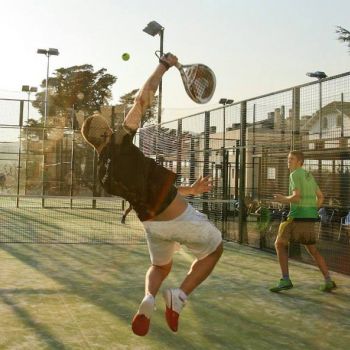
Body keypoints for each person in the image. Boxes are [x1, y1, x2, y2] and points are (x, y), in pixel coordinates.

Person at [81, 53, 223, 336]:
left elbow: (150, 191)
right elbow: (142, 99)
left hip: (151, 225)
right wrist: (164, 66)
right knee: (214, 250)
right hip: (176, 216)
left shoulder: (104, 174)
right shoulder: (121, 142)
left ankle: (148, 299)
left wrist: (191, 190)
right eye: (109, 125)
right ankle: (178, 297)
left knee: (160, 266)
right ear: (108, 131)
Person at [270, 150, 336, 293]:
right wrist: (312, 209)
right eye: (288, 159)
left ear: (300, 162)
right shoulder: (309, 175)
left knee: (279, 244)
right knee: (313, 250)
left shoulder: (294, 175)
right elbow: (321, 197)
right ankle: (328, 280)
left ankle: (285, 279)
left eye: (291, 159)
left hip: (297, 216)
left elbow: (296, 197)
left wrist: (282, 199)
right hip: (309, 218)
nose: (289, 161)